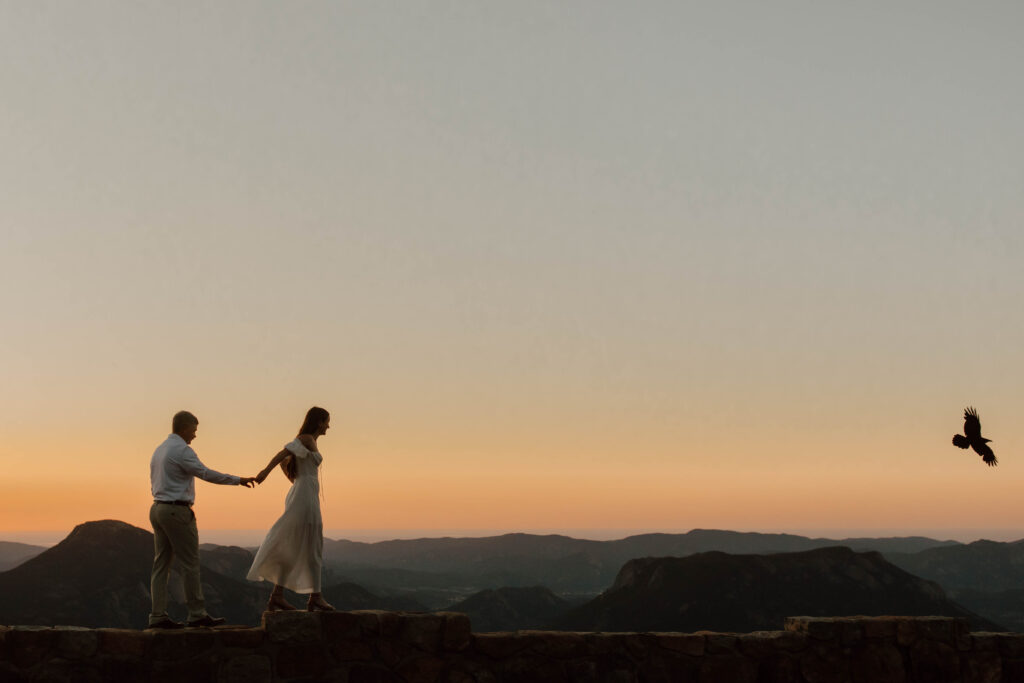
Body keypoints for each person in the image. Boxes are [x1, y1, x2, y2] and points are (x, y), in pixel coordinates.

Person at [148, 410, 256, 629]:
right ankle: (196, 614)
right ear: (185, 427)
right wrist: (238, 480)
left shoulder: (159, 450)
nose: (195, 435)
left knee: (161, 565)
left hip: (157, 509)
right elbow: (206, 473)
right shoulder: (182, 450)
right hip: (177, 511)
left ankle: (157, 616)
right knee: (190, 563)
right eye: (194, 430)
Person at [246, 406, 334, 611]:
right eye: (327, 421)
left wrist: (296, 481)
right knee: (312, 542)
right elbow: (281, 455)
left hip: (304, 492)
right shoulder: (306, 439)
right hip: (304, 496)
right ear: (319, 422)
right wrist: (263, 473)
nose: (329, 426)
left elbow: (286, 462)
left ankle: (278, 595)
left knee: (300, 542)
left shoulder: (309, 441)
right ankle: (315, 596)